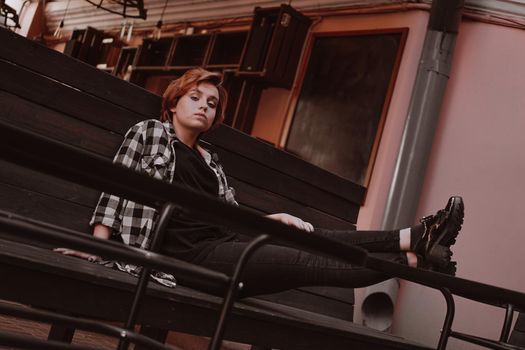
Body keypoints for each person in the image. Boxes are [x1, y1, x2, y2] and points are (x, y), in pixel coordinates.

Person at [55, 68, 464, 297]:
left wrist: (275, 217)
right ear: (173, 102)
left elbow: (230, 218)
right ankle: (420, 251)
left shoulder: (211, 161)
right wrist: (97, 244)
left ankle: (414, 249)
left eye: (211, 104)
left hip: (224, 248)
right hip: (185, 260)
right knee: (309, 261)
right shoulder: (148, 134)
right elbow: (117, 188)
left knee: (312, 236)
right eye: (195, 98)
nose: (204, 107)